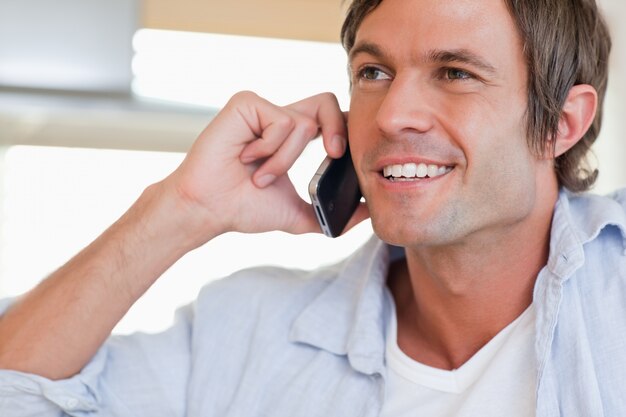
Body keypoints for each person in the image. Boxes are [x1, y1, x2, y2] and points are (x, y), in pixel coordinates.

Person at [0, 0, 622, 415]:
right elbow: (16, 392)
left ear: (561, 124)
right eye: (374, 71)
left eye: (455, 73)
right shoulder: (245, 328)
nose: (392, 116)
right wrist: (179, 208)